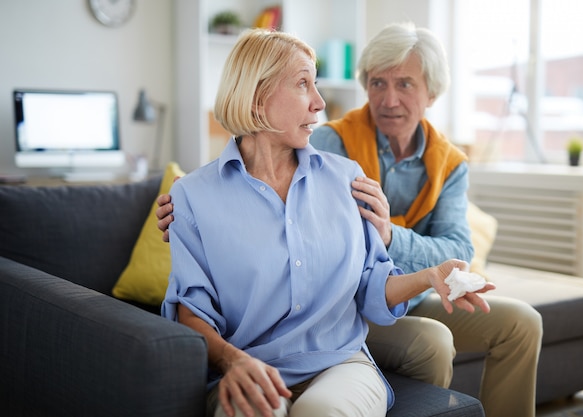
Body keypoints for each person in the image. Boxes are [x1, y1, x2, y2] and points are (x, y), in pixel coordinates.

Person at [157, 23, 542, 417]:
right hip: (254, 360)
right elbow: (193, 308)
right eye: (304, 84)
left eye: (405, 84)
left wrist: (419, 265)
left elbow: (377, 279)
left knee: (514, 324)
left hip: (344, 349)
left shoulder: (352, 174)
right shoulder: (201, 193)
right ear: (257, 98)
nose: (321, 103)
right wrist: (194, 203)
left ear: (431, 93)